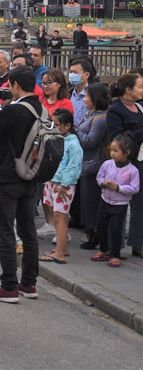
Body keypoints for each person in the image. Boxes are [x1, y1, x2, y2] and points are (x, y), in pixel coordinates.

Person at [0, 66, 41, 303]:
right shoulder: (39, 108)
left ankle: (9, 286)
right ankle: (29, 284)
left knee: (5, 230)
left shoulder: (15, 110)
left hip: (7, 177)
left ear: (15, 85)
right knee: (28, 231)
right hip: (29, 176)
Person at [105, 71, 143, 258]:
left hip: (140, 161)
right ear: (128, 90)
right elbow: (117, 138)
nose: (142, 90)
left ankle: (138, 243)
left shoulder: (140, 107)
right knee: (118, 205)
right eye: (139, 86)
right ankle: (114, 247)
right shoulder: (115, 110)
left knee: (140, 203)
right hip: (123, 164)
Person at [38, 108, 81, 264]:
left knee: (59, 217)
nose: (53, 127)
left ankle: (59, 253)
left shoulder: (73, 143)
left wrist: (64, 184)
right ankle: (63, 249)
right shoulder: (58, 139)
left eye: (56, 124)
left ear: (67, 125)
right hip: (53, 182)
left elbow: (74, 166)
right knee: (60, 217)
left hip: (63, 186)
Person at [91, 133, 140, 267]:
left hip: (120, 204)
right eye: (111, 150)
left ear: (127, 153)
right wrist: (103, 183)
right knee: (101, 226)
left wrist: (119, 188)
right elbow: (99, 177)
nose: (112, 153)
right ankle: (103, 250)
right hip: (105, 200)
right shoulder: (107, 164)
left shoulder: (132, 170)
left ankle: (115, 254)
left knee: (116, 230)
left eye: (116, 151)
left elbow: (134, 188)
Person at [76, 83, 110, 250]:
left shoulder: (100, 119)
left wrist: (76, 132)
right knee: (87, 201)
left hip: (94, 165)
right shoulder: (91, 115)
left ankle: (96, 234)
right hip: (86, 164)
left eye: (87, 96)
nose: (85, 99)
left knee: (92, 202)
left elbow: (90, 141)